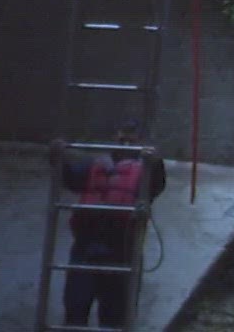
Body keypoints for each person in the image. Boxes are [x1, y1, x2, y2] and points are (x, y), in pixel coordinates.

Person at [58, 122, 167, 329]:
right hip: (86, 246)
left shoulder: (144, 171)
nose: (125, 144)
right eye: (121, 140)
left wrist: (155, 161)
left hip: (121, 249)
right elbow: (70, 177)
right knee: (75, 306)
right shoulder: (95, 166)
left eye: (130, 141)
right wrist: (58, 157)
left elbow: (157, 184)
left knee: (114, 315)